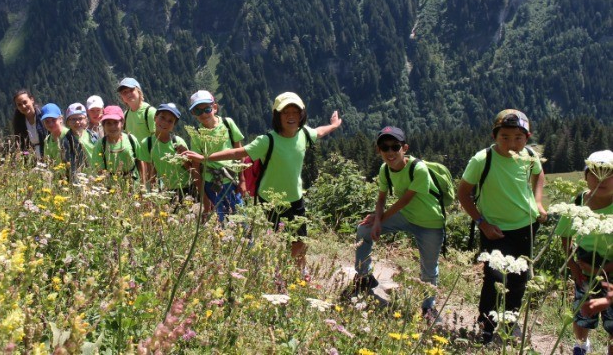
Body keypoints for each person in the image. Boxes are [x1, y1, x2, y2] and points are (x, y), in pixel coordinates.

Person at [186, 92, 342, 270]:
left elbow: (319, 132)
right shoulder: (267, 141)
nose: (291, 116)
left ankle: (299, 272)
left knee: (300, 241)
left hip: (296, 198)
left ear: (302, 115)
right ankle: (278, 270)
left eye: (295, 112)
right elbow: (238, 153)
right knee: (283, 240)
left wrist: (334, 125)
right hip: (271, 199)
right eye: (285, 113)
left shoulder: (304, 134)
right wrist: (206, 158)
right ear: (277, 116)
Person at [457, 109, 547, 344]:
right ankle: (487, 325)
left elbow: (539, 175)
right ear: (494, 135)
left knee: (519, 277)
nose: (511, 143)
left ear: (527, 137)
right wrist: (482, 223)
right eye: (504, 137)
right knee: (494, 277)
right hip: (493, 228)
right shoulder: (482, 159)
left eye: (518, 137)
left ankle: (509, 322)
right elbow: (463, 193)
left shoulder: (529, 156)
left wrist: (537, 203)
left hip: (525, 226)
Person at [353, 126, 445, 323]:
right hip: (406, 216)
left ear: (405, 148)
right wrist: (376, 220)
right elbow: (381, 198)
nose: (390, 152)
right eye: (384, 148)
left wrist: (381, 219)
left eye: (395, 147)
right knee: (364, 230)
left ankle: (428, 308)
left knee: (429, 268)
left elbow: (405, 200)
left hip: (430, 222)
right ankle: (364, 277)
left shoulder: (418, 168)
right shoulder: (385, 170)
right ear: (378, 151)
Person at [555, 150, 613, 355]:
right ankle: (581, 345)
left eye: (608, 173)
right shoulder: (580, 201)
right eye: (595, 172)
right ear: (585, 176)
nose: (601, 179)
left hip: (611, 269)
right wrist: (573, 266)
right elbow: (565, 234)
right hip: (585, 265)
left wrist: (604, 269)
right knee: (583, 309)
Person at [185, 90, 246, 222]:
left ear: (215, 108)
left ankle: (246, 242)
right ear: (193, 114)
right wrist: (204, 199)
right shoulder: (196, 134)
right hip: (210, 185)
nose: (204, 114)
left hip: (231, 181)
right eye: (198, 111)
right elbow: (195, 167)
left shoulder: (228, 124)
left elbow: (239, 152)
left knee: (241, 220)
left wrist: (242, 180)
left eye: (207, 109)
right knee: (220, 221)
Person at [136, 103, 195, 202]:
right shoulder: (147, 143)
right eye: (162, 118)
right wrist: (153, 195)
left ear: (173, 125)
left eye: (170, 121)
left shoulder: (178, 142)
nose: (165, 122)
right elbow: (151, 173)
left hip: (188, 188)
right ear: (155, 118)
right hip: (168, 192)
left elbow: (190, 169)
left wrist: (184, 157)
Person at [96, 105, 145, 183]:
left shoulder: (131, 139)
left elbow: (140, 161)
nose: (112, 127)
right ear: (103, 125)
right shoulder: (100, 144)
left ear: (122, 123)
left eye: (116, 122)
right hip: (111, 187)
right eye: (108, 123)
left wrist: (143, 185)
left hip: (133, 184)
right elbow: (99, 170)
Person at [12, 89, 46, 159]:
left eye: (25, 102)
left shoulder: (43, 116)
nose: (23, 106)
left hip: (47, 154)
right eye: (19, 105)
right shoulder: (18, 122)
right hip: (31, 158)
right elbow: (19, 143)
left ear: (32, 100)